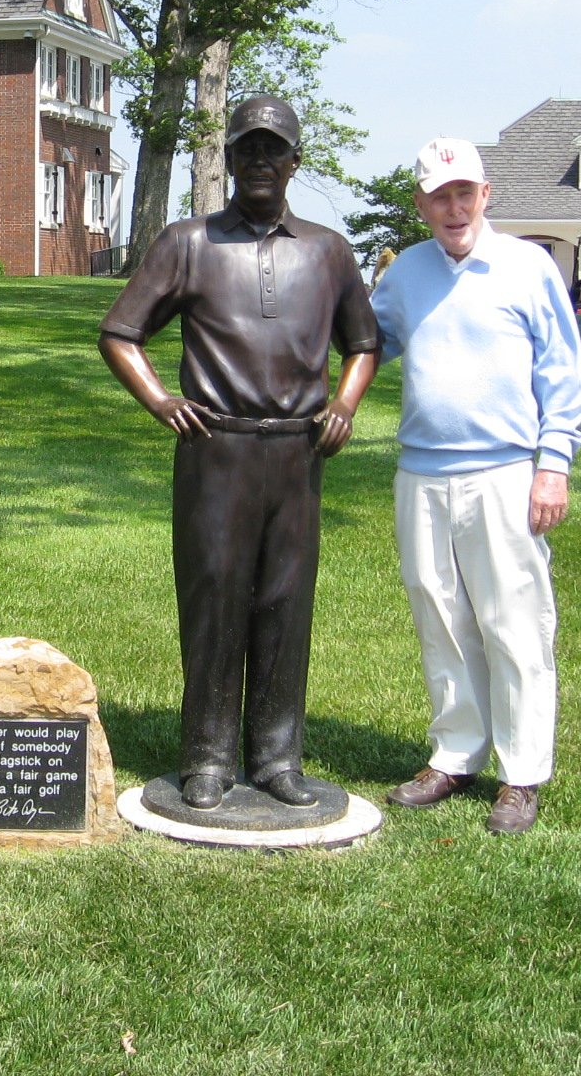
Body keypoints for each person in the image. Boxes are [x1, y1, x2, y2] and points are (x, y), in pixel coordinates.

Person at [99, 96, 379, 812]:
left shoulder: (327, 250)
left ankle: (279, 754)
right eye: (246, 150)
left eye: (272, 150)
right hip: (214, 451)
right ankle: (208, 756)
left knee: (286, 602)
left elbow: (364, 342)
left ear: (295, 161)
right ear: (228, 159)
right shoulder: (188, 243)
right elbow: (122, 332)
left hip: (296, 455)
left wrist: (343, 403)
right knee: (215, 598)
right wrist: (161, 400)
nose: (259, 162)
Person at [370, 137, 581, 835]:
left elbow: (562, 371)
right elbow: (363, 343)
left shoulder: (527, 267)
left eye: (465, 192)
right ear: (421, 205)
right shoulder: (404, 274)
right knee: (440, 617)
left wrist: (553, 463)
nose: (454, 207)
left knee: (515, 622)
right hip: (422, 474)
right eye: (440, 195)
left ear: (486, 195)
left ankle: (521, 775)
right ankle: (456, 753)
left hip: (504, 472)